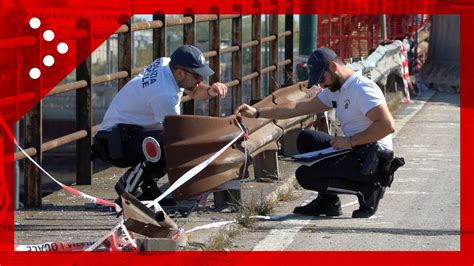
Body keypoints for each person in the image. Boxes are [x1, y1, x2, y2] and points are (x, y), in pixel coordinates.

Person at [235, 47, 401, 218]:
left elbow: (387, 126)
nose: (322, 85)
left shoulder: (362, 89)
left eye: (322, 78)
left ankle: (369, 188)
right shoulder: (336, 90)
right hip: (356, 149)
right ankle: (328, 203)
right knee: (306, 139)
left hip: (373, 159)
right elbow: (298, 107)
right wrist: (257, 112)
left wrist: (350, 141)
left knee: (305, 176)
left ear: (334, 67)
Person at [92, 45, 228, 203]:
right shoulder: (164, 95)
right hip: (116, 143)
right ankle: (128, 186)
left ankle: (148, 187)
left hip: (120, 134)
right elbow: (178, 137)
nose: (200, 80)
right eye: (197, 76)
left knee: (166, 141)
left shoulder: (166, 64)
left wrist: (210, 90)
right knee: (170, 144)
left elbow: (194, 91)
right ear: (179, 73)